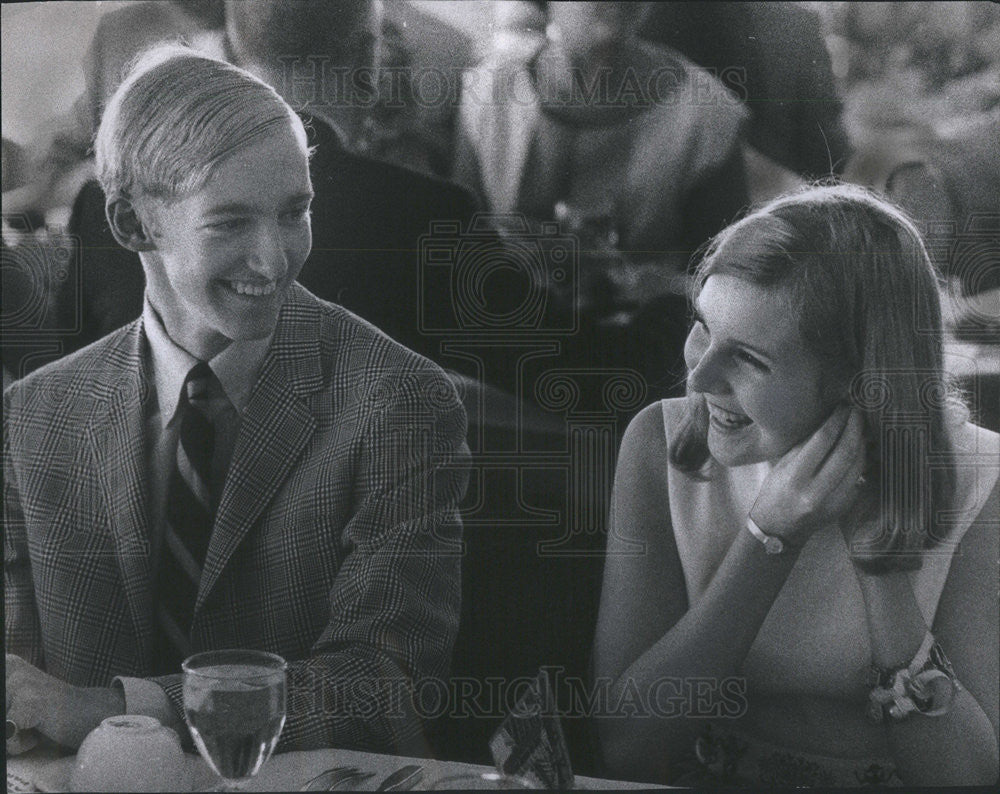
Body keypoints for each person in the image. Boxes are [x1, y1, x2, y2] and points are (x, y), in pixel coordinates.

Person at [4, 46, 469, 756]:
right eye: (230, 223)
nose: (274, 258)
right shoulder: (33, 416)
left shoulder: (398, 401)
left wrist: (117, 709)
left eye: (294, 212)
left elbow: (386, 687)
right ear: (131, 226)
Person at [593, 184, 999, 786]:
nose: (699, 376)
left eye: (750, 359)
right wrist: (767, 537)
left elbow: (966, 778)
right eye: (703, 327)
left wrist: (880, 569)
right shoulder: (659, 443)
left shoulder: (984, 479)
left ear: (858, 380)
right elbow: (626, 744)